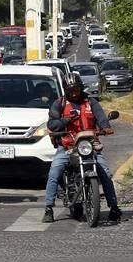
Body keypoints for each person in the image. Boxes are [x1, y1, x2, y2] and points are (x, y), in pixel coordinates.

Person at [42, 74, 123, 224]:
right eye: (71, 90)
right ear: (66, 90)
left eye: (77, 89)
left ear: (81, 88)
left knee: (105, 172)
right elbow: (52, 124)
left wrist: (105, 127)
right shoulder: (59, 104)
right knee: (54, 171)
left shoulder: (90, 102)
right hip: (68, 146)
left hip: (89, 145)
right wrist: (65, 121)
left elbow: (101, 117)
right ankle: (48, 208)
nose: (74, 92)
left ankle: (114, 207)